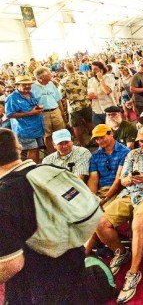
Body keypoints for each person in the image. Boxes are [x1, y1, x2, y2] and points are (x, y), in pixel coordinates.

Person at [0, 128, 89, 304]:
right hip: (74, 271)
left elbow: (11, 264)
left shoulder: (3, 196)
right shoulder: (54, 170)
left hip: (37, 287)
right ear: (19, 148)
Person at [93, 126, 143, 303]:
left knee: (138, 223)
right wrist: (130, 179)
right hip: (130, 193)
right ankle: (121, 252)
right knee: (100, 222)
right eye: (140, 141)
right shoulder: (132, 154)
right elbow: (123, 179)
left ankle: (134, 272)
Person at [87, 124, 130, 208]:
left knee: (104, 213)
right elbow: (93, 179)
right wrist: (91, 198)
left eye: (102, 137)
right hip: (101, 190)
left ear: (111, 134)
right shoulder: (95, 156)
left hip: (118, 190)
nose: (99, 141)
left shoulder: (125, 152)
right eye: (96, 139)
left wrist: (105, 199)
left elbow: (118, 179)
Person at [5, 75, 45, 164]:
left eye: (29, 84)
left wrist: (37, 109)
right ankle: (31, 170)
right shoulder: (12, 98)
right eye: (24, 84)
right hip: (25, 130)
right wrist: (30, 113)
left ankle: (36, 166)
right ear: (17, 85)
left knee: (36, 148)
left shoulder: (31, 94)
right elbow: (9, 115)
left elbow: (32, 108)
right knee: (32, 149)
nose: (27, 86)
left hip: (37, 127)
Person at [31, 67, 66, 153]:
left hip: (55, 111)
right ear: (41, 77)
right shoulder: (33, 87)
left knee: (61, 132)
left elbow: (58, 99)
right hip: (43, 114)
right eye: (48, 74)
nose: (51, 75)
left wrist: (62, 112)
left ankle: (64, 151)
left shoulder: (51, 84)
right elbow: (33, 103)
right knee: (47, 136)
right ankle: (52, 154)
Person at [59, 61, 92, 147]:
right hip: (86, 103)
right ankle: (95, 140)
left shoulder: (64, 81)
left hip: (74, 107)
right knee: (89, 122)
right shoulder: (83, 77)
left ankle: (82, 144)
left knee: (76, 126)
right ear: (74, 67)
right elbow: (89, 89)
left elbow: (61, 95)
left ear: (66, 69)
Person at [88, 61, 117, 126]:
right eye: (92, 69)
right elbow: (89, 94)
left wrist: (101, 80)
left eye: (95, 69)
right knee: (100, 132)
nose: (93, 71)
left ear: (101, 70)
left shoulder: (109, 78)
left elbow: (107, 91)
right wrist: (90, 96)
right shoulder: (90, 81)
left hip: (108, 109)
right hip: (96, 110)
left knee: (112, 130)